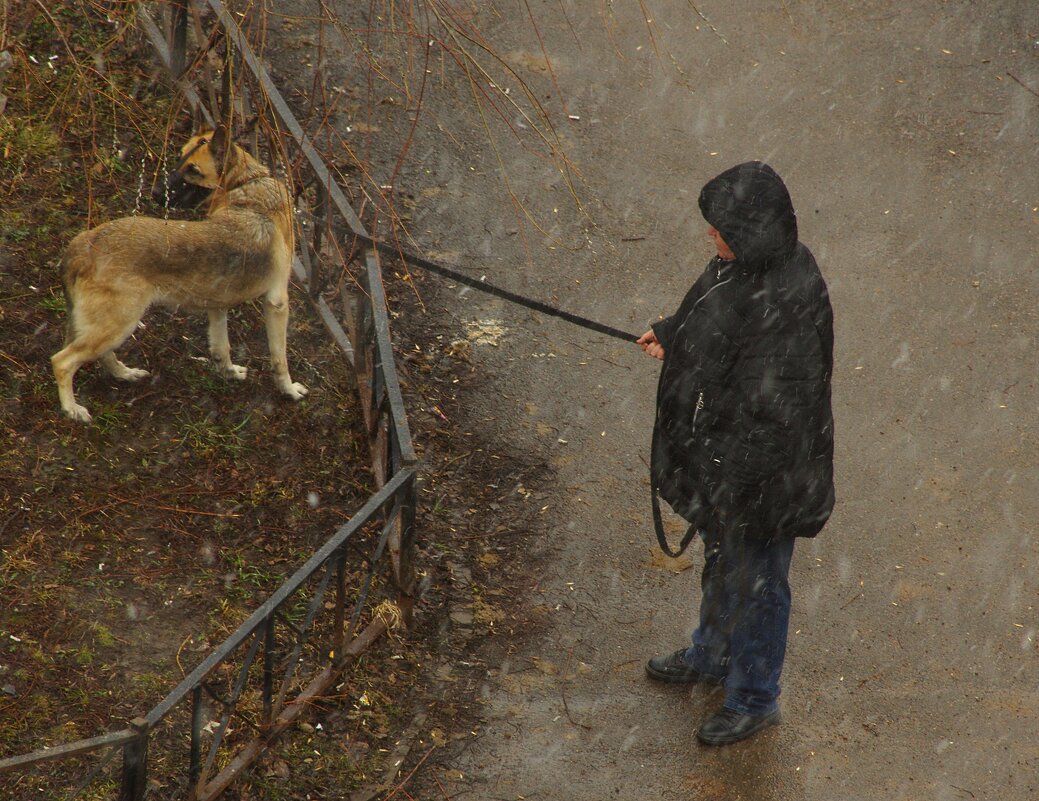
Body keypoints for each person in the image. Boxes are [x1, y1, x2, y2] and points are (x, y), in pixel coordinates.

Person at [636, 161, 834, 746]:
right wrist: (673, 332)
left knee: (760, 583)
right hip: (731, 465)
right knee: (725, 564)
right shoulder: (739, 266)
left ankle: (753, 697)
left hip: (769, 481)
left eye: (719, 229)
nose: (710, 237)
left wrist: (733, 480)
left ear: (747, 234)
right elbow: (712, 314)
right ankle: (712, 655)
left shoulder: (790, 300)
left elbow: (780, 418)